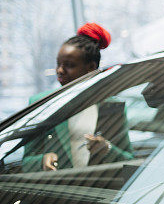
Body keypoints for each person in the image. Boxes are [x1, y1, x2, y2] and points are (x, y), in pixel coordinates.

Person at [22, 23, 133, 172]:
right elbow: (26, 162)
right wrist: (42, 160)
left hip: (100, 191)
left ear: (91, 67)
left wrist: (107, 149)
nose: (60, 70)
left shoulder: (113, 107)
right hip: (57, 191)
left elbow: (130, 161)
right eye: (58, 64)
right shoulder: (41, 104)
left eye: (69, 65)